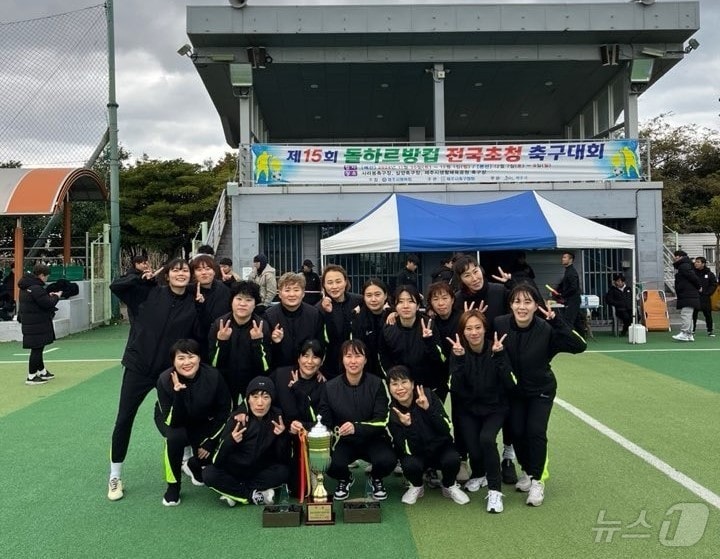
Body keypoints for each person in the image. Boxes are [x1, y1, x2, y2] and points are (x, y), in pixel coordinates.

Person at [107, 258, 201, 501]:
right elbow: (116, 287)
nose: (181, 274)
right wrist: (140, 277)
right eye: (175, 270)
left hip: (169, 371)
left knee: (181, 416)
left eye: (185, 271)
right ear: (166, 274)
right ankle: (115, 475)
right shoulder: (147, 292)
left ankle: (187, 460)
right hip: (138, 366)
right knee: (124, 418)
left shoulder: (194, 303)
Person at [493, 284, 587, 507]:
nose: (522, 307)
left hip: (541, 390)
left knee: (535, 431)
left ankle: (537, 481)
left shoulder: (547, 329)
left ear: (537, 305)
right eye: (517, 302)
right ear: (511, 305)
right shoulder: (500, 324)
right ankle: (527, 471)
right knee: (516, 432)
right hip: (514, 391)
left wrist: (557, 321)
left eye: (527, 302)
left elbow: (579, 345)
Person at [451, 255, 518, 483]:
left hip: (501, 360)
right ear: (461, 279)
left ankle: (508, 455)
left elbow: (525, 303)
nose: (474, 277)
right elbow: (443, 318)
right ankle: (468, 460)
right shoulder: (459, 299)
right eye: (467, 274)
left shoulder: (500, 291)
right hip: (470, 366)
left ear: (481, 269)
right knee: (465, 412)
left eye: (475, 270)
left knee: (506, 408)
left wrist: (513, 284)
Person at [448, 310, 515, 513]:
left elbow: (511, 384)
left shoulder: (497, 349)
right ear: (462, 332)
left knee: (486, 439)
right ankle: (480, 474)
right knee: (473, 447)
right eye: (469, 328)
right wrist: (459, 360)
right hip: (469, 409)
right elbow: (454, 387)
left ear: (485, 329)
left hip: (495, 407)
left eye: (478, 327)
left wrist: (500, 356)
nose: (474, 332)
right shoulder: (458, 352)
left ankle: (495, 491)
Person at [154, 339, 232, 506]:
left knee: (215, 451)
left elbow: (225, 411)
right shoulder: (164, 380)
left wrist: (210, 440)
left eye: (191, 357)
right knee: (175, 438)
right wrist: (178, 394)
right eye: (181, 358)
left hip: (201, 419)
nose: (187, 363)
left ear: (199, 358)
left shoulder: (213, 376)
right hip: (173, 420)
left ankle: (194, 465)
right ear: (173, 362)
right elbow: (172, 420)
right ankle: (173, 487)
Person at [318, 339, 395, 501]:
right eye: (348, 356)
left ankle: (375, 477)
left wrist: (356, 427)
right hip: (344, 441)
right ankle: (345, 478)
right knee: (328, 463)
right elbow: (325, 420)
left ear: (366, 359)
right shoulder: (330, 387)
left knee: (387, 460)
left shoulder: (377, 384)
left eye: (358, 356)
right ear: (342, 359)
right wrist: (332, 431)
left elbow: (381, 421)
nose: (353, 361)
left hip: (373, 438)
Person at [387, 365, 469, 506]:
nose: (400, 388)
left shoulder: (428, 395)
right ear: (389, 388)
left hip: (440, 448)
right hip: (416, 453)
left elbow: (445, 427)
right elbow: (406, 448)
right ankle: (417, 486)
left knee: (453, 459)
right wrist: (408, 426)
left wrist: (428, 409)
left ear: (412, 384)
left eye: (404, 382)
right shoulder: (392, 412)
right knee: (410, 465)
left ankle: (449, 485)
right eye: (394, 384)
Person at [203, 376, 290, 506]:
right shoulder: (237, 419)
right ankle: (252, 495)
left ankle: (234, 493)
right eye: (255, 397)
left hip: (258, 472)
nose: (260, 403)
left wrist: (282, 436)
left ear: (272, 399)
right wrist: (230, 441)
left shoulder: (278, 418)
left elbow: (284, 458)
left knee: (284, 472)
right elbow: (216, 460)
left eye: (265, 397)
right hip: (234, 471)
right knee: (209, 474)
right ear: (248, 399)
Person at [271, 339, 327, 497]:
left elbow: (321, 422)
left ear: (321, 361)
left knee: (299, 490)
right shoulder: (281, 375)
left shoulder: (324, 385)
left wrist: (298, 389)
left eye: (315, 357)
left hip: (306, 440)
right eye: (305, 356)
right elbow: (262, 394)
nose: (309, 362)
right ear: (298, 358)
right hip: (280, 436)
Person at [208, 281, 271, 406]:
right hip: (225, 383)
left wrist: (257, 342)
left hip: (252, 385)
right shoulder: (219, 324)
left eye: (248, 300)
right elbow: (214, 364)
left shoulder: (261, 326)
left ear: (254, 304)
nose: (242, 304)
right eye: (239, 299)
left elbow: (266, 367)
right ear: (232, 301)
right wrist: (222, 341)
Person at [380, 285, 446, 397]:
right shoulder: (388, 328)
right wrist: (398, 382)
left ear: (418, 305)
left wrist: (429, 341)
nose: (405, 306)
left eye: (411, 301)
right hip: (402, 390)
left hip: (429, 388)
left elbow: (441, 359)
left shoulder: (429, 325)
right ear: (395, 306)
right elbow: (384, 360)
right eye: (400, 302)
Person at [263, 272, 324, 369]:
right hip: (278, 371)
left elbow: (321, 345)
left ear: (303, 293)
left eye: (296, 290)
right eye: (287, 290)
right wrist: (274, 341)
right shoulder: (269, 316)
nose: (292, 294)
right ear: (279, 293)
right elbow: (265, 352)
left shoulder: (314, 314)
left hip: (308, 370)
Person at [17, 264, 62, 385]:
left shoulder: (25, 286)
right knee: (37, 349)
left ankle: (42, 371)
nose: (46, 279)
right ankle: (31, 376)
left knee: (38, 347)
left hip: (31, 322)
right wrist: (56, 297)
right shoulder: (36, 288)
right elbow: (47, 303)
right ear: (41, 275)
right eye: (46, 276)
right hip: (37, 323)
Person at [316, 264, 363, 379]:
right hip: (330, 369)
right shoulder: (318, 309)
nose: (334, 286)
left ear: (346, 282)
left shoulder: (359, 301)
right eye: (330, 282)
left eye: (338, 281)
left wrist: (391, 313)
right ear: (324, 285)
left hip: (358, 365)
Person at [191, 254, 231, 363]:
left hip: (221, 341)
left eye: (208, 269)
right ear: (193, 273)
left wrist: (232, 283)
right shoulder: (189, 291)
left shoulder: (224, 290)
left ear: (214, 271)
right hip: (195, 346)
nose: (204, 273)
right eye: (199, 269)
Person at [350, 278, 392, 378]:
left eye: (377, 294)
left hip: (392, 374)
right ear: (363, 297)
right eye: (369, 295)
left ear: (385, 295)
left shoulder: (394, 316)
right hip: (366, 374)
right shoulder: (358, 319)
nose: (373, 299)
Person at [671, 250, 701, 342]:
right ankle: (689, 334)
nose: (674, 258)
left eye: (676, 256)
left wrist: (699, 286)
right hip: (688, 294)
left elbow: (693, 277)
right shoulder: (686, 265)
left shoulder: (684, 266)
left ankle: (684, 333)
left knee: (686, 314)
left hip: (688, 294)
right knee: (689, 315)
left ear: (680, 257)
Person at [554, 251, 584, 336]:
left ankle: (569, 339)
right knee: (577, 321)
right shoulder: (568, 271)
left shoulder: (571, 272)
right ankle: (582, 337)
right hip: (572, 299)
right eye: (563, 257)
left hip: (573, 300)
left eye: (565, 257)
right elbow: (565, 285)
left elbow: (573, 287)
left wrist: (562, 295)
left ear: (571, 260)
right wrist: (559, 291)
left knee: (569, 320)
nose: (562, 259)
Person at [693, 256, 717, 337]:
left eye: (698, 262)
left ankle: (710, 331)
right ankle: (692, 330)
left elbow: (713, 284)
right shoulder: (692, 273)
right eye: (695, 262)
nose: (696, 263)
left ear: (703, 264)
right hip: (695, 297)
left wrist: (708, 293)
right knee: (693, 314)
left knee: (707, 314)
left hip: (705, 297)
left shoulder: (709, 274)